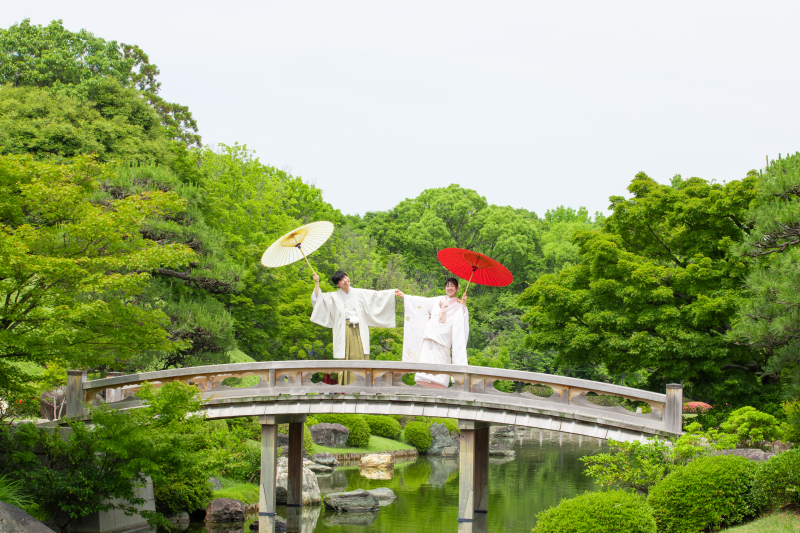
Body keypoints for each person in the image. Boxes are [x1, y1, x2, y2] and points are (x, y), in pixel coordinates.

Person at [310, 271, 401, 385]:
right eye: (342, 279)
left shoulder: (359, 293)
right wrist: (317, 282)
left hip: (359, 329)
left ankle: (364, 383)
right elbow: (318, 299)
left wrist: (391, 293)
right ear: (338, 284)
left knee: (361, 354)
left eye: (345, 277)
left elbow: (375, 296)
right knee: (345, 357)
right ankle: (347, 385)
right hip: (344, 330)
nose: (345, 280)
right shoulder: (333, 296)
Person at [397, 277, 469, 389]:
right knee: (425, 363)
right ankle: (422, 385)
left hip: (443, 339)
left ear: (457, 288)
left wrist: (463, 304)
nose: (449, 288)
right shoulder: (437, 300)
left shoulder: (458, 305)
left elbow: (462, 318)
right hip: (430, 334)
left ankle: (439, 386)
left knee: (440, 364)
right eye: (447, 286)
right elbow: (422, 301)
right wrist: (405, 296)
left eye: (452, 286)